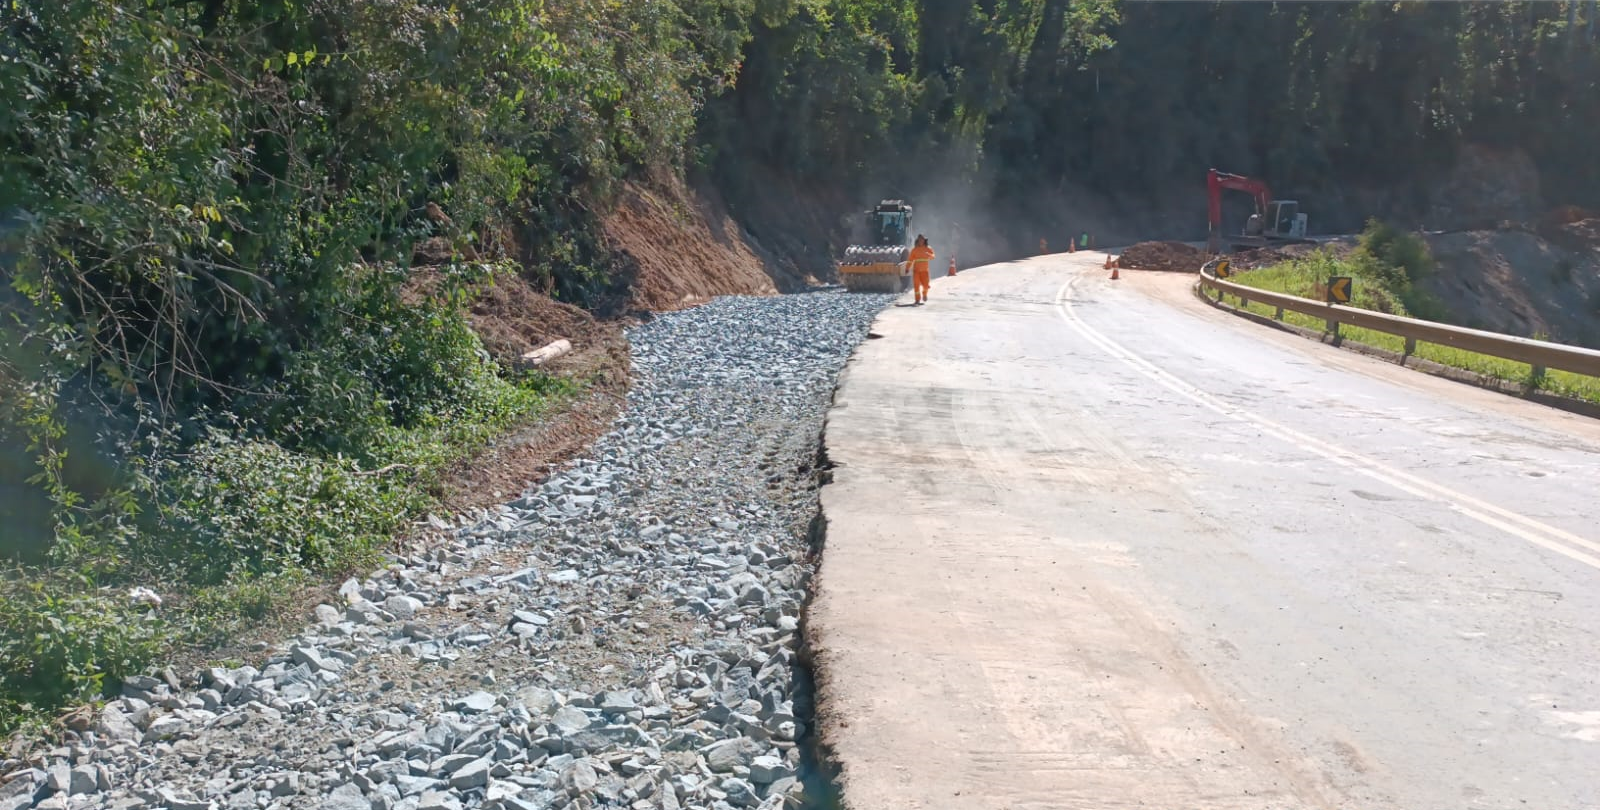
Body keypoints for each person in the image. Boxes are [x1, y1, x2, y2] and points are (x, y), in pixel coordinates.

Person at [907, 235, 935, 305]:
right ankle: (917, 300)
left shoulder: (928, 248)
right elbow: (910, 260)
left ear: (924, 240)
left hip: (925, 271)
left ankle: (924, 294)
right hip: (916, 271)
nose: (921, 241)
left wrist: (929, 255)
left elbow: (933, 256)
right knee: (916, 286)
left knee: (926, 286)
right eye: (919, 240)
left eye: (922, 240)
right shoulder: (914, 250)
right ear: (918, 241)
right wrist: (907, 268)